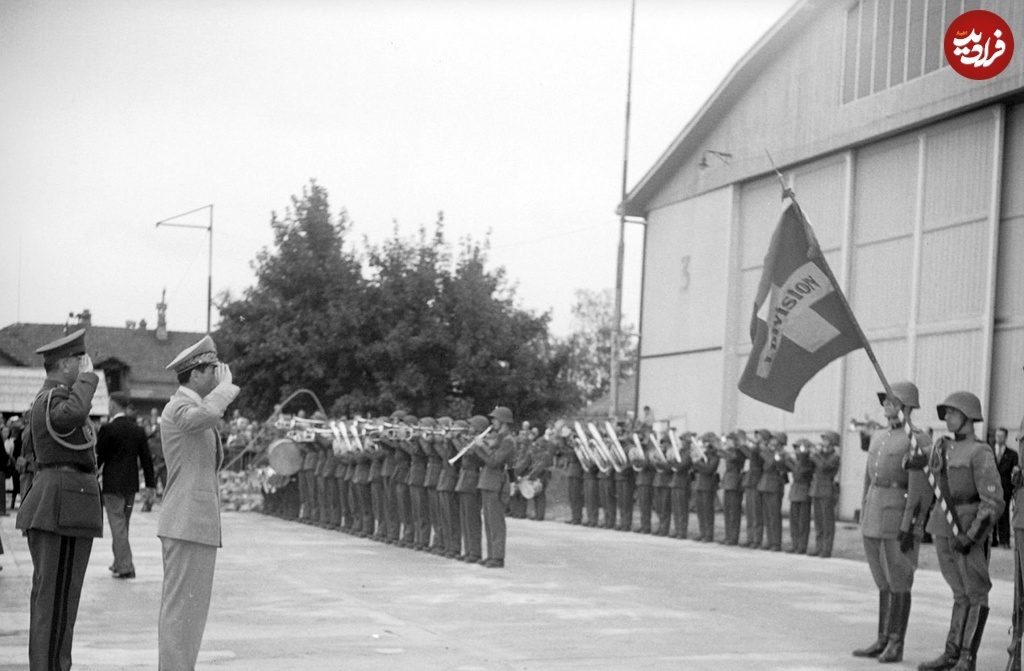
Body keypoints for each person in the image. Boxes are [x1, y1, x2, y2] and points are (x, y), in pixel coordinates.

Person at [15, 329, 103, 671]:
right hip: (60, 510)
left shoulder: (58, 399)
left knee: (59, 602)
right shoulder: (53, 401)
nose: (83, 365)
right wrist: (89, 379)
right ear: (65, 364)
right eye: (78, 361)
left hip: (63, 509)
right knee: (56, 603)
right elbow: (73, 415)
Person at [158, 335, 240, 671]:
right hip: (186, 523)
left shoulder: (193, 408)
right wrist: (226, 389)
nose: (218, 376)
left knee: (190, 615)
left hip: (194, 524)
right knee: (182, 613)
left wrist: (219, 391)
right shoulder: (179, 407)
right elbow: (202, 417)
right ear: (195, 373)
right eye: (213, 371)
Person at [919, 391, 1002, 671]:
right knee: (959, 592)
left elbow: (993, 502)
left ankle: (967, 656)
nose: (948, 418)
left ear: (968, 416)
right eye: (946, 414)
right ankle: (951, 652)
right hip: (943, 526)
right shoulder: (942, 448)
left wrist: (973, 535)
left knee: (975, 592)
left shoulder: (981, 452)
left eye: (953, 413)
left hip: (968, 530)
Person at [854, 380, 931, 664]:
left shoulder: (918, 439)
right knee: (882, 579)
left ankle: (896, 643)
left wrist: (912, 524)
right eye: (884, 400)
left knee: (899, 579)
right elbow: (868, 476)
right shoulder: (878, 435)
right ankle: (883, 638)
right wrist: (864, 507)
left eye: (890, 400)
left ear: (906, 406)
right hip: (875, 511)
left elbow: (921, 486)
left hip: (898, 515)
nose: (884, 405)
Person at [96, 391, 156, 578]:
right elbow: (146, 459)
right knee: (123, 525)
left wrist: (91, 474)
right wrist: (150, 485)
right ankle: (118, 561)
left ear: (114, 405)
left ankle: (126, 566)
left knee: (117, 525)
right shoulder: (137, 430)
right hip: (131, 486)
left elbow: (99, 457)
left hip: (112, 485)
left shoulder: (107, 429)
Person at [474, 406, 516, 568]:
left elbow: (494, 461)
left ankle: (498, 556)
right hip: (489, 481)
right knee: (489, 520)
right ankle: (492, 554)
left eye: (495, 419)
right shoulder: (500, 438)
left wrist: (481, 446)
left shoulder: (508, 441)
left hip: (496, 481)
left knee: (496, 520)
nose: (492, 422)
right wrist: (479, 446)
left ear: (502, 421)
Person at [809, 431, 841, 558]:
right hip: (817, 489)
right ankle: (819, 546)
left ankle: (826, 548)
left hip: (827, 489)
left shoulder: (835, 456)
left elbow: (824, 466)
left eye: (826, 440)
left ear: (832, 442)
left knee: (827, 521)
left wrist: (815, 455)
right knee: (818, 520)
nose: (823, 442)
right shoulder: (821, 454)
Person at [991, 427, 1017, 549]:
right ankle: (991, 539)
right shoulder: (988, 452)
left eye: (1001, 436)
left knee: (1003, 514)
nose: (999, 438)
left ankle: (1004, 540)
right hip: (990, 488)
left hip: (1005, 489)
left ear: (1006, 437)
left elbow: (1015, 473)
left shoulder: (1012, 455)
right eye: (997, 435)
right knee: (990, 513)